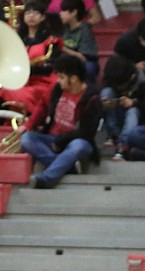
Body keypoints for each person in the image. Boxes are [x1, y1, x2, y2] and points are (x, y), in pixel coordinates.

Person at [14, 53, 102, 188]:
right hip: (52, 138)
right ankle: (67, 167)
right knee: (27, 139)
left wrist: (60, 141)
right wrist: (29, 125)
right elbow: (43, 107)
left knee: (78, 146)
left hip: (76, 141)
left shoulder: (93, 99)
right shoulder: (57, 89)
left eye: (61, 77)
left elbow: (86, 132)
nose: (58, 80)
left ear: (73, 79)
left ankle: (47, 178)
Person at [58, 0, 98, 78]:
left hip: (82, 63)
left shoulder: (84, 29)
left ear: (74, 12)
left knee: (89, 67)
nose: (60, 13)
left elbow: (82, 57)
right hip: (65, 61)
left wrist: (63, 48)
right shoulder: (63, 28)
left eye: (63, 11)